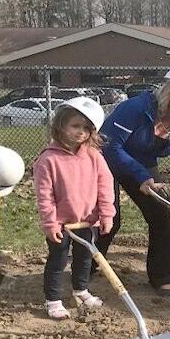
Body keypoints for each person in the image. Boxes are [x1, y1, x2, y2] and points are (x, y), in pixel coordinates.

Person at [96, 61, 170, 296]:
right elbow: (109, 146)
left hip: (142, 165)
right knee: (110, 218)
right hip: (104, 162)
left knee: (160, 212)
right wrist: (141, 176)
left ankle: (163, 276)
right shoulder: (135, 108)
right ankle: (86, 266)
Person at [33, 97, 115, 320]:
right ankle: (53, 300)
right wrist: (50, 223)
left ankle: (80, 290)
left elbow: (105, 186)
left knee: (85, 258)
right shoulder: (48, 159)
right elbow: (45, 195)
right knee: (58, 260)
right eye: (75, 126)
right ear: (60, 125)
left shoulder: (94, 157)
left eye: (86, 128)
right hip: (61, 223)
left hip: (87, 221)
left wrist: (106, 214)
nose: (81, 132)